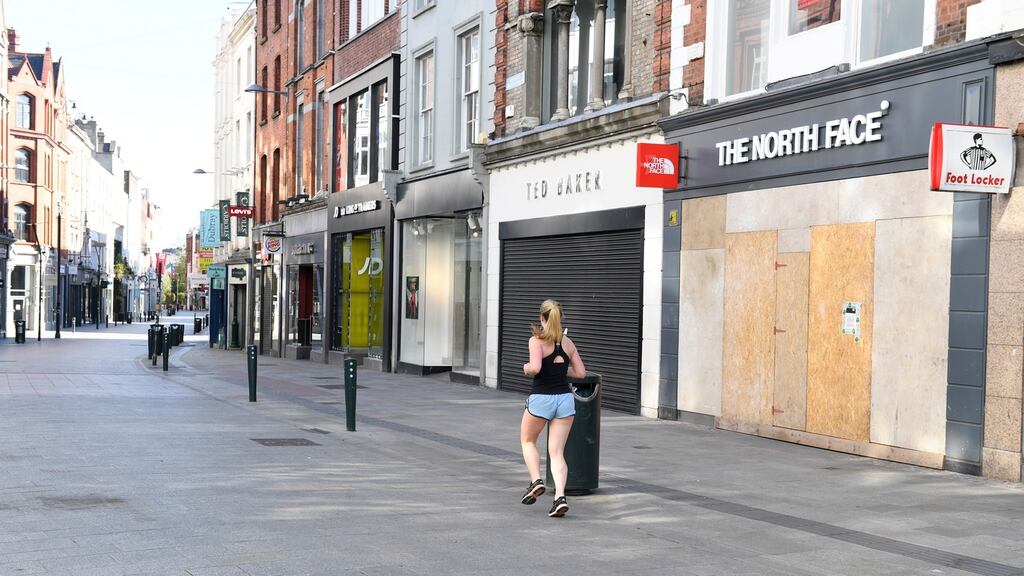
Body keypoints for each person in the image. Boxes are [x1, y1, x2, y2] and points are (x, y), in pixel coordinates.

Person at [519, 299, 586, 518]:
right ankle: (559, 497)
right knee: (557, 452)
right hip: (565, 400)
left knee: (528, 440)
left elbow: (536, 367)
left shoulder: (536, 341)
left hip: (541, 399)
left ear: (542, 318)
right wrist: (561, 370)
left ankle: (536, 480)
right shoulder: (568, 343)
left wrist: (527, 368)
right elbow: (581, 374)